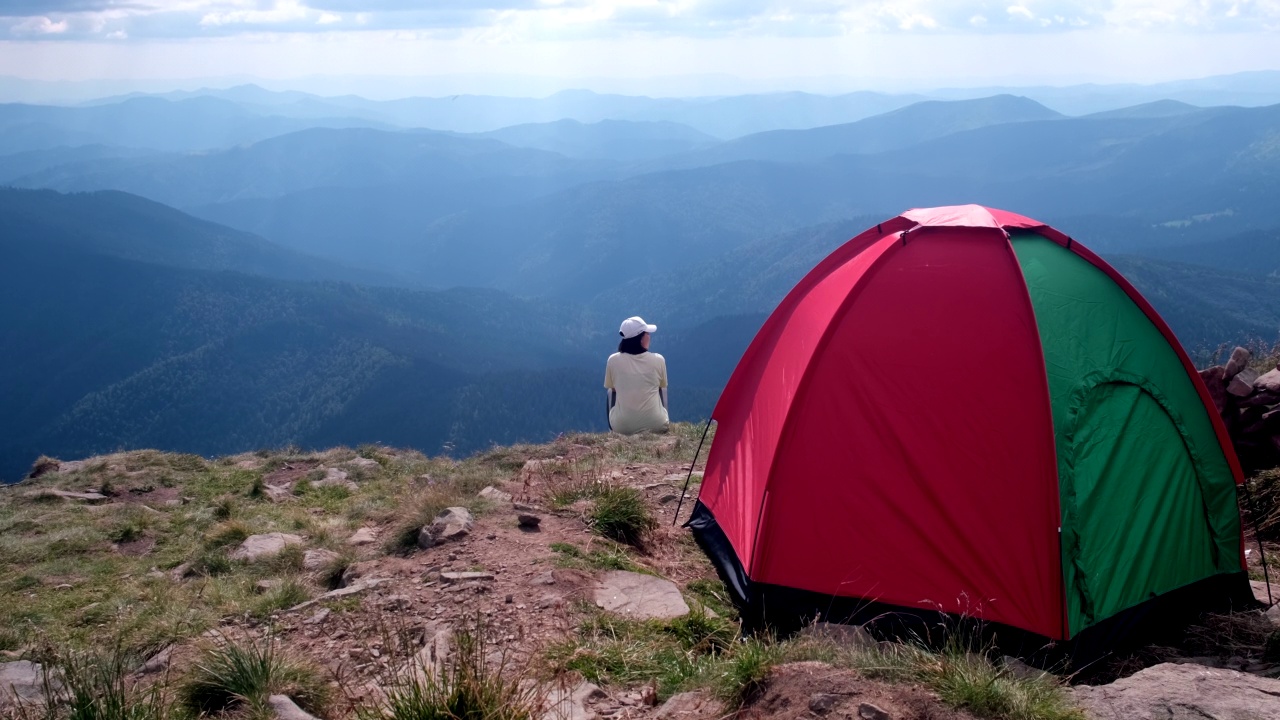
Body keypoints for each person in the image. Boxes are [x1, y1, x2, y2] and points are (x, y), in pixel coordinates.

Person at [604, 316, 669, 434]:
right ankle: (661, 421)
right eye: (647, 333)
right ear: (641, 339)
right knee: (662, 388)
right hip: (657, 426)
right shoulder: (659, 360)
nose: (649, 336)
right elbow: (661, 386)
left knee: (610, 391)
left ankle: (613, 430)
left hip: (622, 428)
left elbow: (614, 389)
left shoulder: (613, 360)